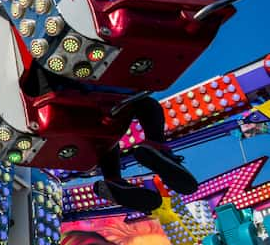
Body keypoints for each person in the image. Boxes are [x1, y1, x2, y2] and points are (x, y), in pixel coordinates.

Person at [23, 65, 197, 213]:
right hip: (93, 99)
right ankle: (155, 145)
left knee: (105, 135)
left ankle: (114, 180)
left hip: (67, 106)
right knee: (145, 105)